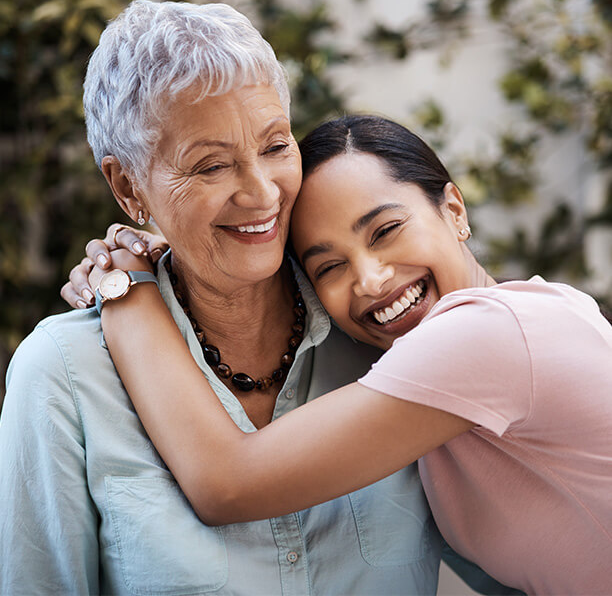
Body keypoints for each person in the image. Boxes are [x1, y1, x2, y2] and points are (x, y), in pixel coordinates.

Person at [0, 1, 511, 596]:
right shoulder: (64, 376)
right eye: (212, 166)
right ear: (128, 186)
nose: (261, 193)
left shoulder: (382, 328)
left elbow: (528, 559)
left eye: (274, 146)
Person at [64, 115, 612, 595]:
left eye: (386, 230)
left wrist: (127, 287)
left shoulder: (491, 333)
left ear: (453, 208)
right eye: (329, 267)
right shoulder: (408, 378)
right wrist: (182, 256)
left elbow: (227, 484)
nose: (371, 281)